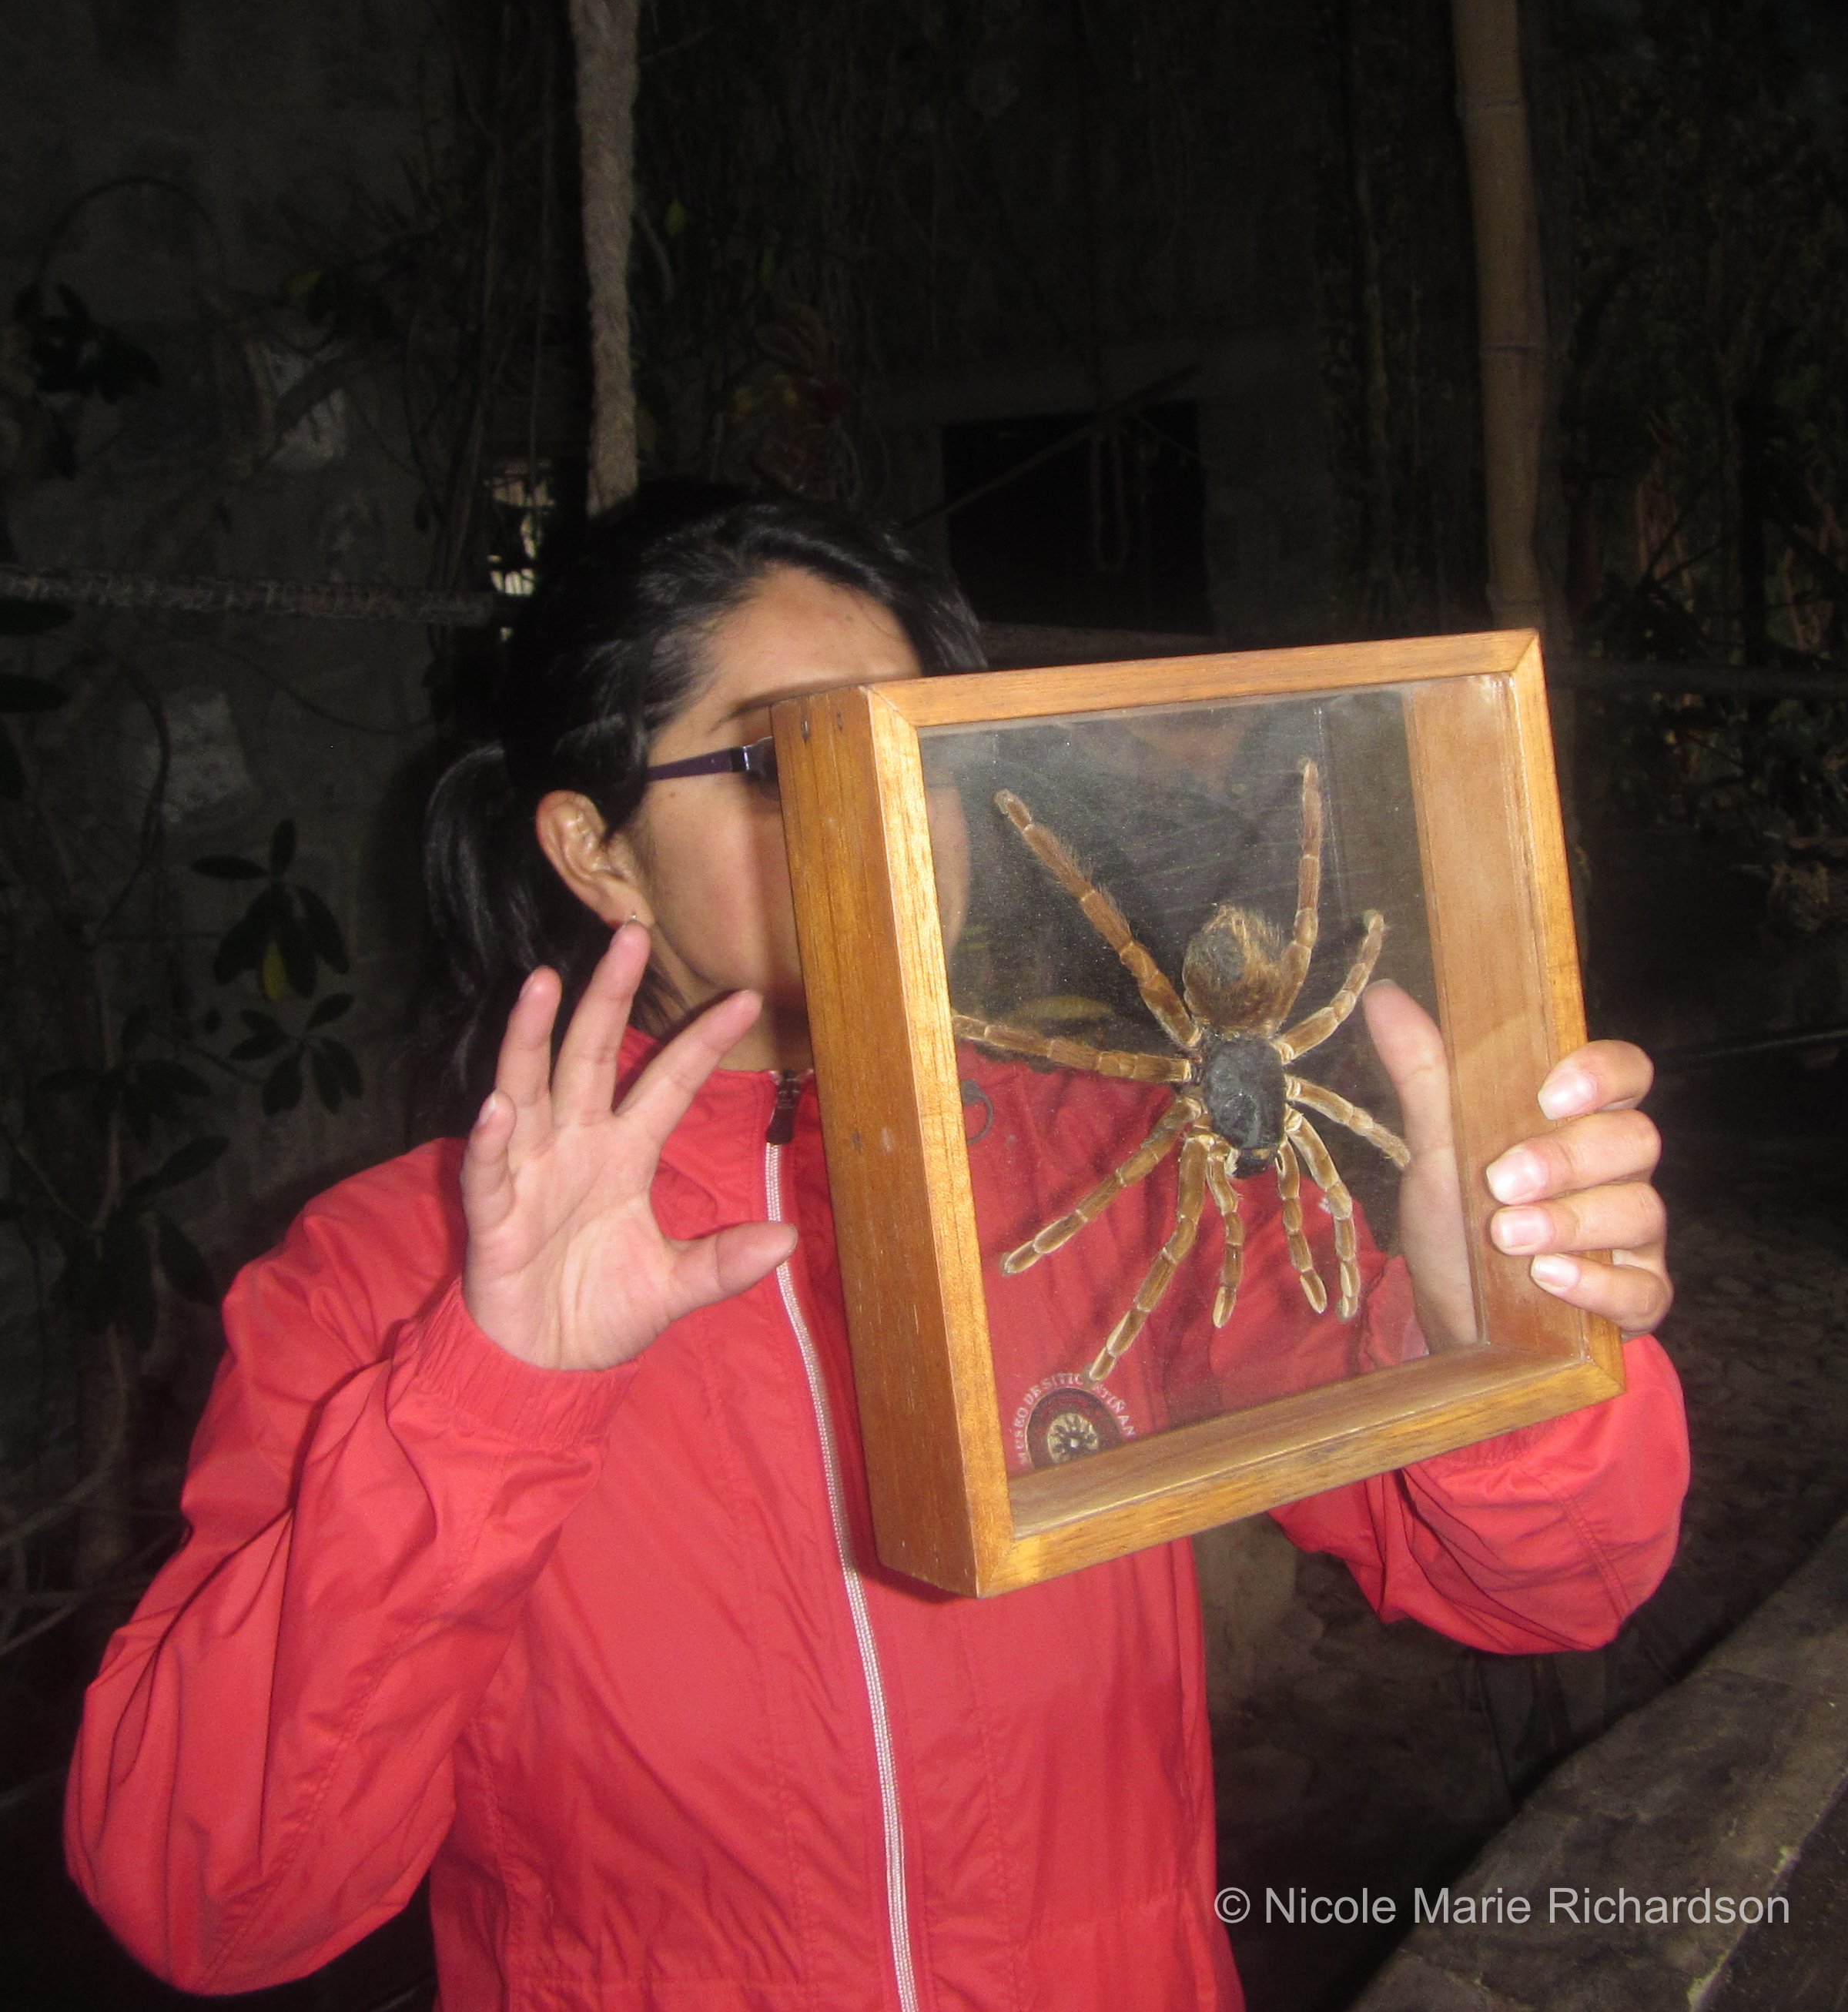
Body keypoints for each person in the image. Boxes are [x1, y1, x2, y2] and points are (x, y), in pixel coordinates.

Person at [66, 484, 1686, 2010]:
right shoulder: (381, 1279)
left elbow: (1564, 1581)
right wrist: (486, 1397)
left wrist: (1501, 1331)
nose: (885, 811)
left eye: (921, 752)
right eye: (784, 760)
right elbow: (210, 1900)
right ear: (594, 849)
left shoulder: (1119, 1166)